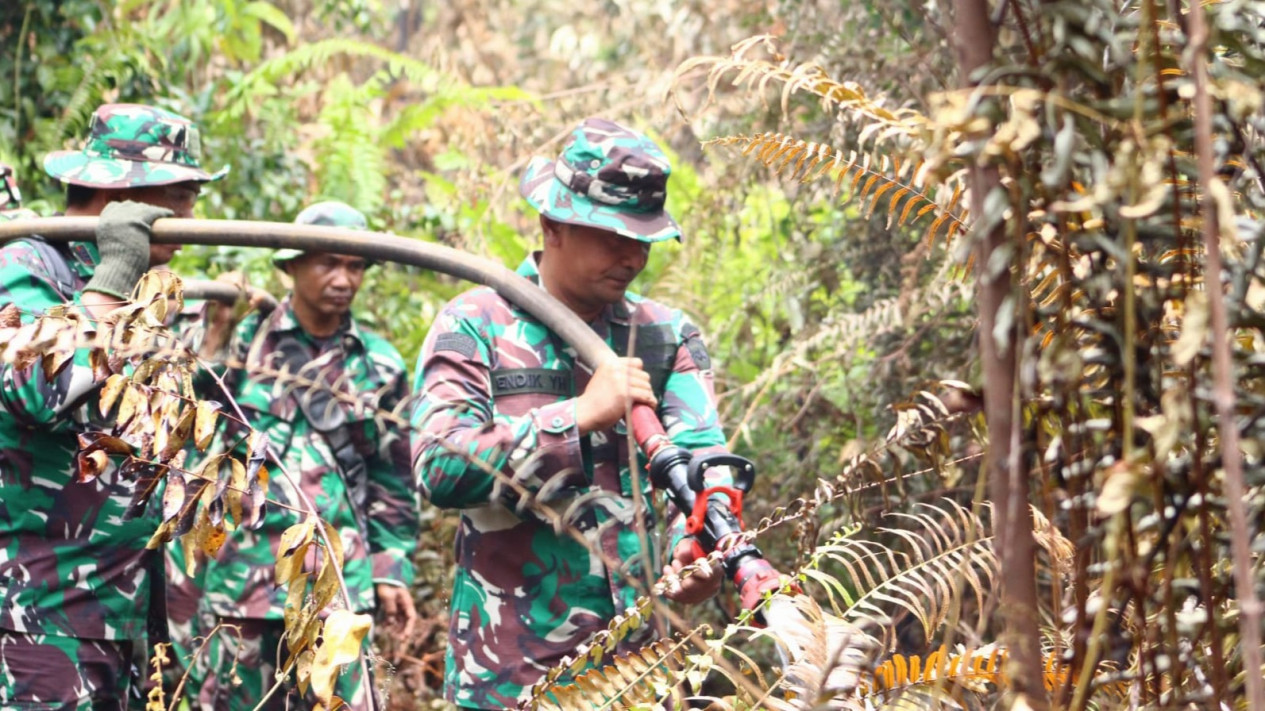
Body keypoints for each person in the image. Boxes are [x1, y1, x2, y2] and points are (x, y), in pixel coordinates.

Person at [411, 117, 732, 708]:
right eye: (614, 237)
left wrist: (701, 545)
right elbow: (440, 467)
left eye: (644, 240)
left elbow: (705, 459)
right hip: (513, 676)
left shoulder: (664, 336)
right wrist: (576, 416)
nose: (632, 257)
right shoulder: (476, 323)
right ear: (554, 223)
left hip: (641, 674)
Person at [0, 103, 226, 709]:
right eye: (182, 195)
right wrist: (114, 273)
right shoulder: (25, 267)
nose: (190, 218)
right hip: (35, 618)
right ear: (125, 194)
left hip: (116, 614)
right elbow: (32, 389)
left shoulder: (132, 289)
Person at [178, 201, 419, 711]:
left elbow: (392, 475)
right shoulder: (243, 342)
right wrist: (214, 334)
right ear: (290, 265)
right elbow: (182, 421)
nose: (343, 278)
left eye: (355, 266)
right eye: (328, 263)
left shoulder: (378, 363)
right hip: (243, 579)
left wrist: (389, 566)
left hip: (337, 582)